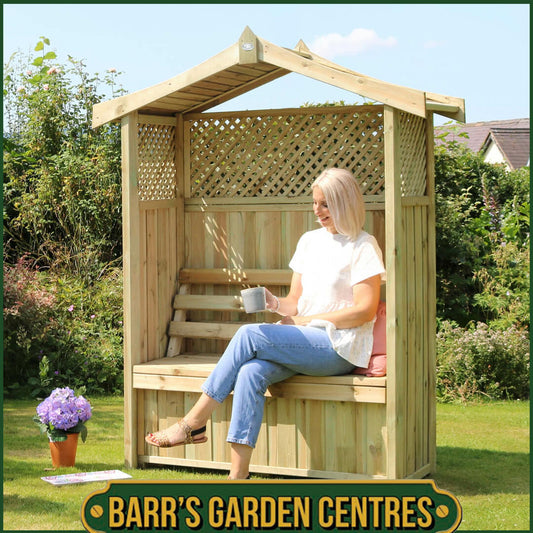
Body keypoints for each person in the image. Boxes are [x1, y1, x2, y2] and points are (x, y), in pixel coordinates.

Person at [145, 168, 386, 479]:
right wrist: (276, 303)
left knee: (249, 335)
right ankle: (238, 477)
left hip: (338, 348)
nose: (317, 210)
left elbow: (364, 311)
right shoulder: (309, 242)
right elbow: (295, 302)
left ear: (345, 204)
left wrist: (308, 319)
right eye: (315, 203)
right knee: (250, 372)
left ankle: (192, 422)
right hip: (302, 340)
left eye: (325, 204)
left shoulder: (363, 246)